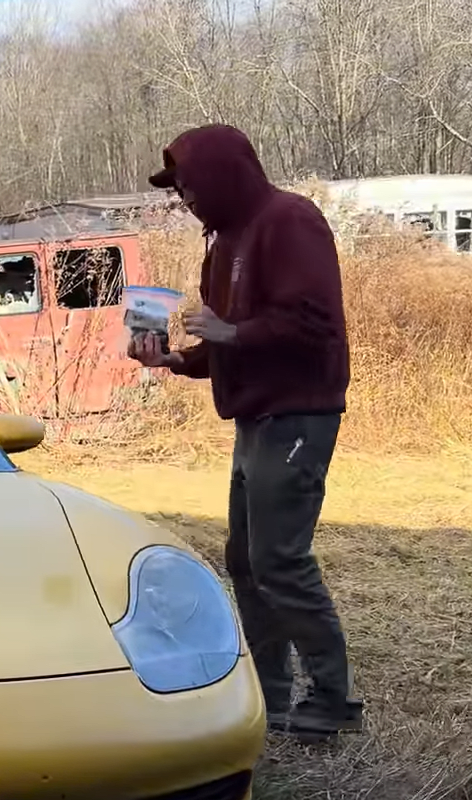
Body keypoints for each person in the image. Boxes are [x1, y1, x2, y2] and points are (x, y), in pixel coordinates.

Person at [129, 124, 363, 744]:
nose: (185, 198)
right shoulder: (223, 240)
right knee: (246, 559)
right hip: (254, 418)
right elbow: (227, 340)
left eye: (188, 185)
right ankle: (270, 696)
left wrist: (231, 332)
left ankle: (333, 699)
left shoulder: (290, 221)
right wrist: (176, 358)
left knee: (278, 559)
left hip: (298, 414)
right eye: (178, 190)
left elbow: (315, 325)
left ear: (222, 174)